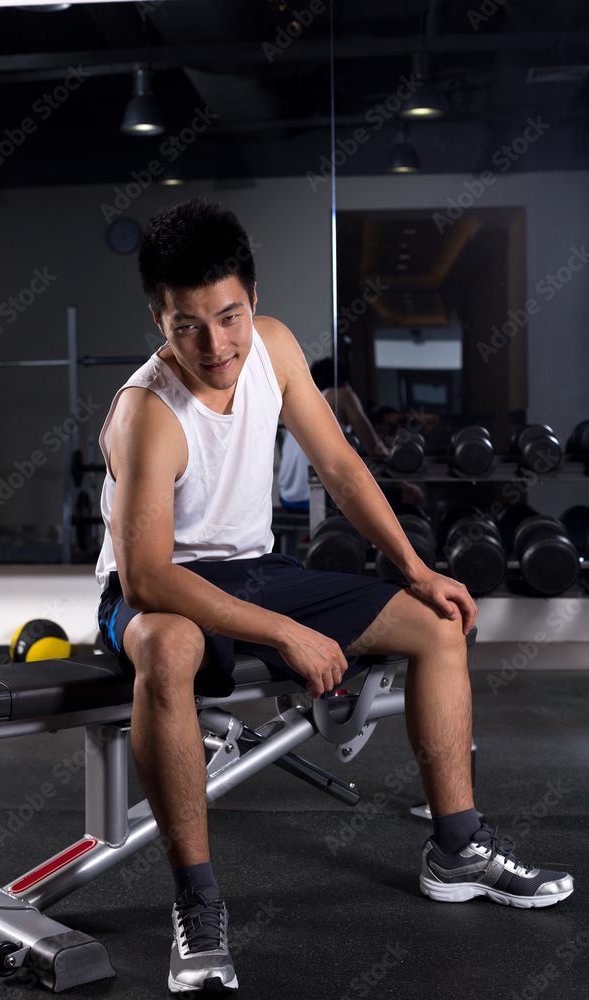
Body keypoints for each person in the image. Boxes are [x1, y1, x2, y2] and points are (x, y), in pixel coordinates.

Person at [95, 197, 574, 995]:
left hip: (253, 568)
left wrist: (415, 570)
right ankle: (198, 902)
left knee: (433, 623)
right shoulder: (150, 413)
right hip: (161, 586)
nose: (215, 344)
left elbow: (343, 470)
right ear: (158, 320)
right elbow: (147, 579)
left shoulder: (274, 348)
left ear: (252, 298)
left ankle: (455, 847)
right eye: (187, 326)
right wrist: (283, 631)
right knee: (170, 643)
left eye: (230, 316)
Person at [277, 358, 424, 509]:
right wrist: (402, 484)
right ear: (345, 383)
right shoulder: (342, 395)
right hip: (315, 498)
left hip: (287, 497)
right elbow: (374, 447)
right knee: (409, 497)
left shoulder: (303, 401)